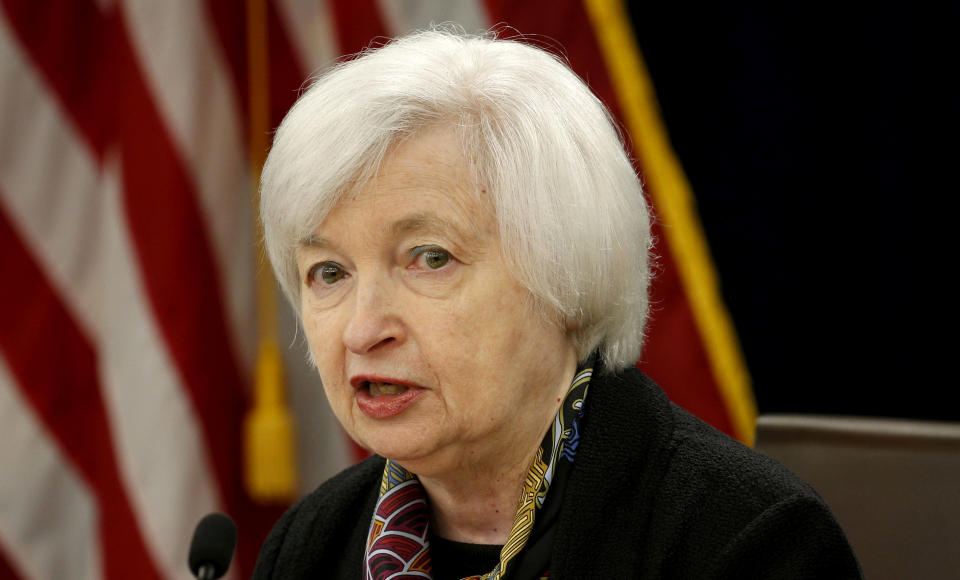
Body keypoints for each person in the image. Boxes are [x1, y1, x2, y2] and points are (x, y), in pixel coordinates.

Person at [252, 28, 861, 580]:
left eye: (429, 258)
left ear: (563, 277)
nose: (362, 329)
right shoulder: (311, 545)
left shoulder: (745, 543)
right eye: (328, 272)